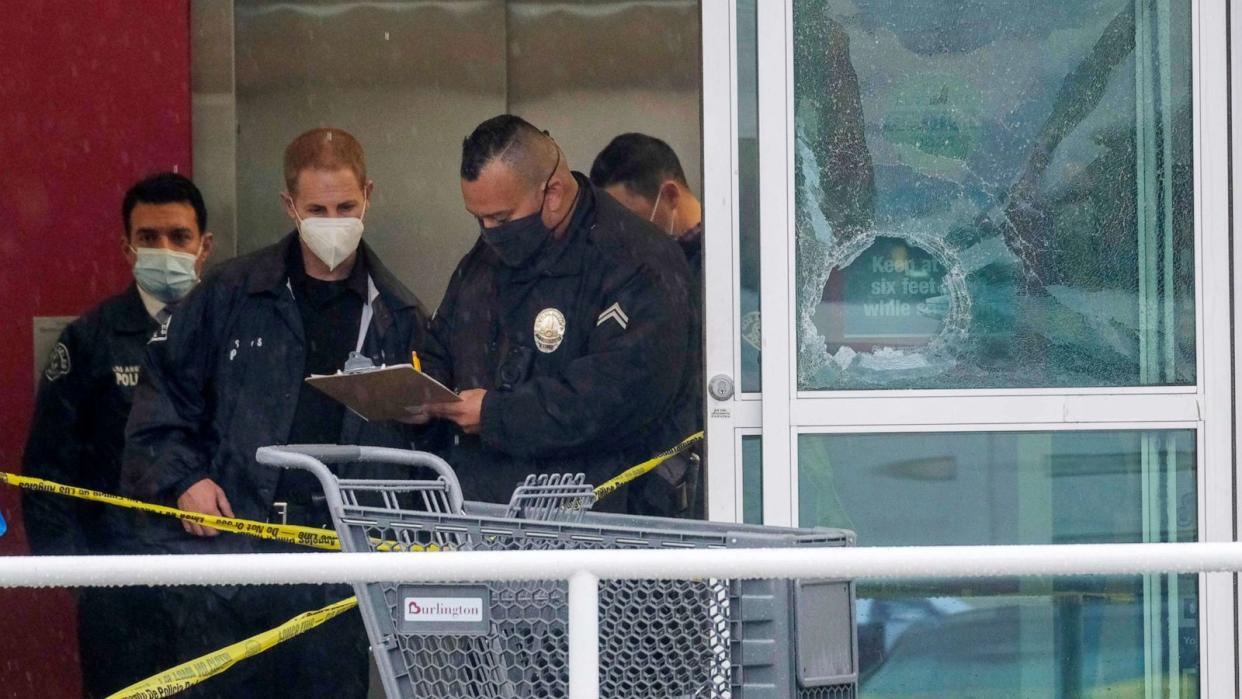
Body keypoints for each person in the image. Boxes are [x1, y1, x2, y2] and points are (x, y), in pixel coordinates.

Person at [122, 128, 436, 697]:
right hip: (234, 555)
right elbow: (161, 400)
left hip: (342, 567)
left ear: (369, 195)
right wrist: (184, 480)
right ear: (289, 205)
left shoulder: (400, 314)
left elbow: (426, 458)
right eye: (317, 208)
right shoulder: (231, 294)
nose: (333, 220)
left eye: (346, 206)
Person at [419, 115, 697, 515]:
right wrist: (422, 391)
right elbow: (444, 339)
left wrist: (496, 415)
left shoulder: (638, 260)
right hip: (486, 519)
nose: (488, 231)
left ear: (552, 192)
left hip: (603, 526)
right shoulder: (486, 257)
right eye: (477, 219)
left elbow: (617, 397)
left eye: (500, 218)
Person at [22, 172, 213, 697]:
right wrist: (81, 580)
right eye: (149, 238)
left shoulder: (235, 335)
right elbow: (46, 471)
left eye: (179, 237)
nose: (165, 250)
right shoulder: (92, 340)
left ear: (205, 246)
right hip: (121, 586)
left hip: (222, 584)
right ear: (126, 247)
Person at [590, 133, 705, 517]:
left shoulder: (729, 264)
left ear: (669, 195)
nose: (625, 234)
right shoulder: (630, 271)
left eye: (631, 217)